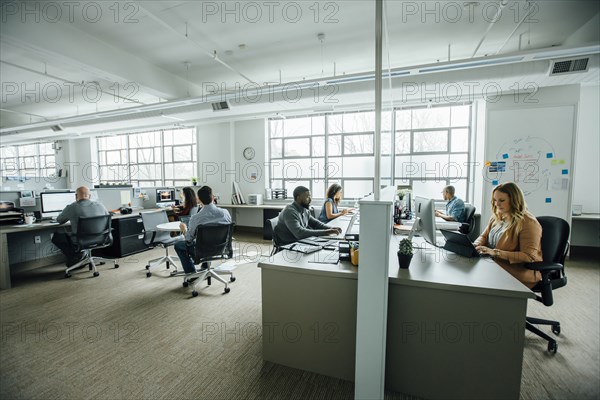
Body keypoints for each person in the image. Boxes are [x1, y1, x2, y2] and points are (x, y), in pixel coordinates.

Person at [474, 182, 543, 289]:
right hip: (494, 265)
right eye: (495, 200)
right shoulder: (497, 216)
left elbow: (529, 256)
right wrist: (475, 244)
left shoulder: (528, 222)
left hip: (516, 272)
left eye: (501, 200)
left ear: (514, 200)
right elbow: (483, 236)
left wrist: (495, 252)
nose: (497, 204)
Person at [174, 186, 232, 274]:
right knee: (209, 239)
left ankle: (191, 273)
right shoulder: (225, 213)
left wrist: (184, 229)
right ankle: (205, 266)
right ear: (213, 197)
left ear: (199, 200)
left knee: (178, 245)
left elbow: (188, 240)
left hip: (202, 250)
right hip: (221, 248)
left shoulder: (195, 218)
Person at [51, 186, 108, 266]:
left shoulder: (72, 207)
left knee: (57, 237)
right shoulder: (100, 205)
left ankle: (76, 256)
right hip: (101, 238)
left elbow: (59, 220)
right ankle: (81, 255)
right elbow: (107, 218)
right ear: (90, 196)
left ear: (76, 196)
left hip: (82, 240)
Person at [274, 186, 342, 246]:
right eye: (307, 197)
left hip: (299, 241)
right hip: (289, 244)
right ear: (298, 198)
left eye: (310, 196)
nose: (310, 199)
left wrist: (331, 228)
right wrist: (326, 232)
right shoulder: (290, 212)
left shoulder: (304, 209)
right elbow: (300, 233)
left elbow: (315, 224)